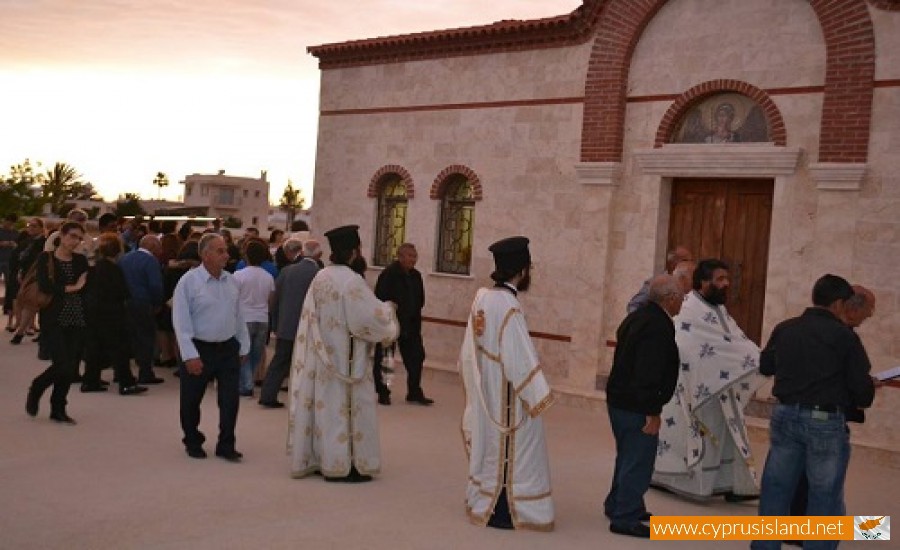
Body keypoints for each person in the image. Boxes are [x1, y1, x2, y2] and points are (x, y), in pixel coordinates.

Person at [751, 275, 877, 550]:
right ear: (839, 303)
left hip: (784, 415)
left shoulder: (786, 328)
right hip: (825, 422)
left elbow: (766, 365)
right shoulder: (845, 337)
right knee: (824, 495)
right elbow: (862, 392)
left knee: (776, 488)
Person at [288, 225, 399, 482]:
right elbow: (369, 319)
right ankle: (346, 465)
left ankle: (323, 459)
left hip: (322, 360)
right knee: (347, 411)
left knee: (326, 410)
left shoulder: (321, 276)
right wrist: (389, 309)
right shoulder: (352, 280)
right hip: (348, 364)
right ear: (353, 252)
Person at [458, 236, 555, 531]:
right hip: (509, 397)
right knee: (518, 449)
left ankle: (485, 499)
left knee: (491, 448)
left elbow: (467, 350)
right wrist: (539, 395)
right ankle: (508, 509)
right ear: (523, 272)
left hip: (488, 388)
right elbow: (519, 357)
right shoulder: (509, 307)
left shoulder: (483, 298)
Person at [652, 259, 762, 501]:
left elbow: (733, 342)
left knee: (725, 437)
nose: (726, 284)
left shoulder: (719, 310)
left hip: (720, 387)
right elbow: (685, 346)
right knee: (696, 438)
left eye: (727, 279)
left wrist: (757, 358)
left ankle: (728, 484)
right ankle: (694, 486)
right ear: (704, 282)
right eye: (720, 279)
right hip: (691, 389)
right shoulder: (690, 308)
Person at [604, 274, 684, 539]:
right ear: (670, 298)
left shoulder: (639, 316)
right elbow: (648, 372)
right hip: (636, 404)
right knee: (638, 460)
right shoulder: (657, 326)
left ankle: (620, 503)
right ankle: (624, 517)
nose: (682, 303)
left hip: (620, 400)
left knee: (627, 455)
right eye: (681, 298)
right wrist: (653, 411)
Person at [172, 233, 250, 461]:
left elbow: (238, 316)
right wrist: (189, 355)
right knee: (191, 400)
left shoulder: (231, 281)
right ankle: (192, 440)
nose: (227, 255)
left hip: (227, 349)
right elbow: (181, 321)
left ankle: (226, 445)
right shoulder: (188, 282)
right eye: (220, 251)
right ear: (205, 255)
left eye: (226, 250)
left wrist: (243, 347)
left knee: (229, 401)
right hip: (199, 349)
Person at [25, 222, 90, 424]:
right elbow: (45, 285)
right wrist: (72, 288)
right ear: (61, 235)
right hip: (53, 318)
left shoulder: (80, 260)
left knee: (70, 368)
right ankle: (37, 386)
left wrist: (74, 288)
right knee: (62, 363)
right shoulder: (46, 258)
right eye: (72, 236)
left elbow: (86, 286)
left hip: (77, 317)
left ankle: (58, 408)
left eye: (79, 238)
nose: (75, 241)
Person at [81, 233, 147, 396]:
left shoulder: (95, 268)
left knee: (94, 347)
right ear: (118, 252)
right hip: (112, 313)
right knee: (120, 348)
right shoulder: (114, 270)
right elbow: (122, 292)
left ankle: (90, 380)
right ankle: (126, 383)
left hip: (94, 312)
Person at [258, 238, 318, 408]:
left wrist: (275, 323)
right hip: (308, 327)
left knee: (279, 362)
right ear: (319, 255)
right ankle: (304, 399)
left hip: (286, 325)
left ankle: (267, 394)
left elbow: (274, 300)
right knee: (307, 364)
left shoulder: (286, 271)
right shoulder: (318, 274)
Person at [372, 243, 432, 406]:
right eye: (410, 256)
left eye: (415, 256)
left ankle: (414, 391)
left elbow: (420, 300)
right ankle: (383, 392)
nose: (413, 259)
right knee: (386, 359)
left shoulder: (416, 276)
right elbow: (380, 300)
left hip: (411, 324)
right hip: (390, 325)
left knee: (416, 356)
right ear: (400, 256)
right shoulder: (388, 275)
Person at [118, 235, 165, 384]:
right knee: (145, 338)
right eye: (159, 246)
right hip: (143, 303)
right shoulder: (151, 261)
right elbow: (155, 285)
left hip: (125, 302)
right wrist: (158, 303)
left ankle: (121, 372)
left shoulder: (125, 258)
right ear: (152, 247)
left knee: (127, 338)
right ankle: (145, 372)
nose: (160, 250)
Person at [232, 239, 275, 398]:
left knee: (243, 352)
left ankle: (246, 384)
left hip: (244, 318)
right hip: (262, 318)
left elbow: (233, 299)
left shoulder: (238, 275)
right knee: (256, 353)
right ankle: (248, 380)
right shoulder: (268, 277)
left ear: (246, 256)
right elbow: (270, 300)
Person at [626, 246, 692, 313]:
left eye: (691, 260)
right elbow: (634, 305)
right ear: (673, 262)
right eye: (686, 260)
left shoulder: (689, 283)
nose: (690, 264)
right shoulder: (655, 283)